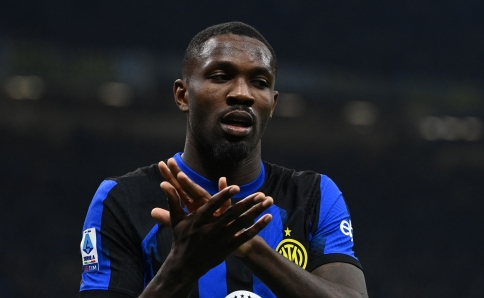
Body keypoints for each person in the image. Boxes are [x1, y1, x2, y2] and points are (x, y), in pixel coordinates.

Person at [79, 21, 368, 298]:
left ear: (273, 104)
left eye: (259, 82)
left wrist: (249, 247)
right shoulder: (122, 200)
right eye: (220, 76)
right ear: (183, 96)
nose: (242, 94)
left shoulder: (314, 196)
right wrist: (181, 268)